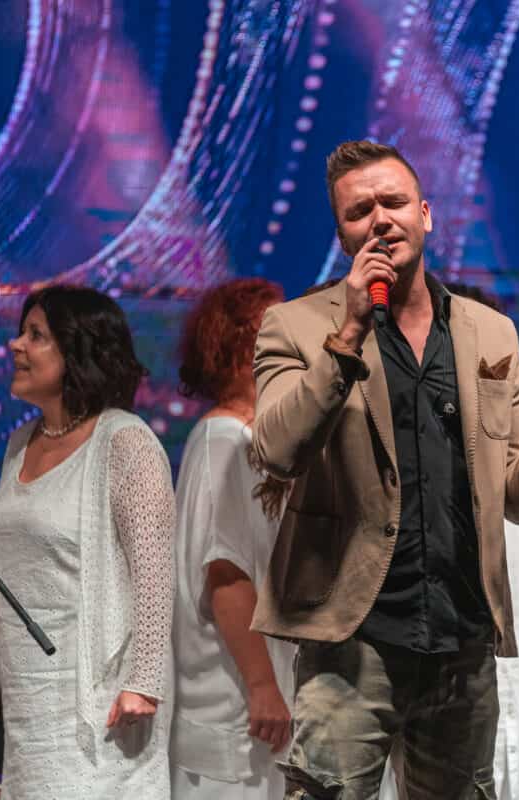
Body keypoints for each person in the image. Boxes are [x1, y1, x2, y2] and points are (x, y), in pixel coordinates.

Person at [250, 140, 519, 800]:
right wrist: (348, 334)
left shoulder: (491, 332)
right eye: (359, 211)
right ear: (343, 235)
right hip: (353, 637)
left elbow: (512, 502)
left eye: (394, 202)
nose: (380, 219)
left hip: (462, 636)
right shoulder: (293, 326)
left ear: (425, 215)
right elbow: (278, 450)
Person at [0, 285, 175, 798]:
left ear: (78, 350)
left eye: (36, 335)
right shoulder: (19, 444)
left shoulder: (125, 441)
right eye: (22, 333)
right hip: (29, 699)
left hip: (101, 697)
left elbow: (155, 574)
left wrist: (144, 682)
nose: (16, 345)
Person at [171, 278, 297, 799]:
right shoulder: (223, 442)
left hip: (255, 718)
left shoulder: (247, 441)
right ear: (246, 347)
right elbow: (226, 574)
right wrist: (263, 685)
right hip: (232, 717)